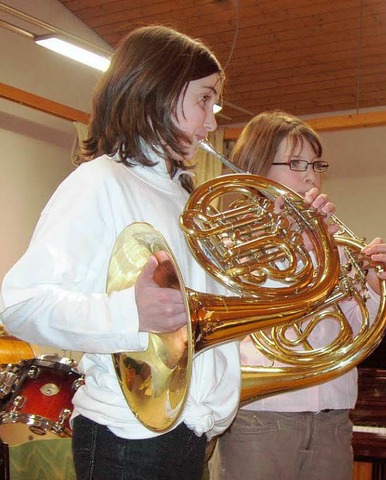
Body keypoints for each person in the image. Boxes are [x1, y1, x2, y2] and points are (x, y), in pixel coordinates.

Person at [0, 25, 241, 480]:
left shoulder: (183, 196)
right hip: (128, 439)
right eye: (204, 100)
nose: (212, 121)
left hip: (188, 433)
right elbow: (21, 303)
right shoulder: (99, 182)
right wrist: (131, 314)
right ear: (158, 93)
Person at [210, 110, 386, 480]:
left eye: (315, 164)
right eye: (295, 163)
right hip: (262, 417)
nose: (311, 175)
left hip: (333, 418)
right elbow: (254, 315)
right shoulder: (231, 241)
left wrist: (375, 287)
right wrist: (288, 242)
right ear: (257, 169)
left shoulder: (337, 245)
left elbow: (357, 335)